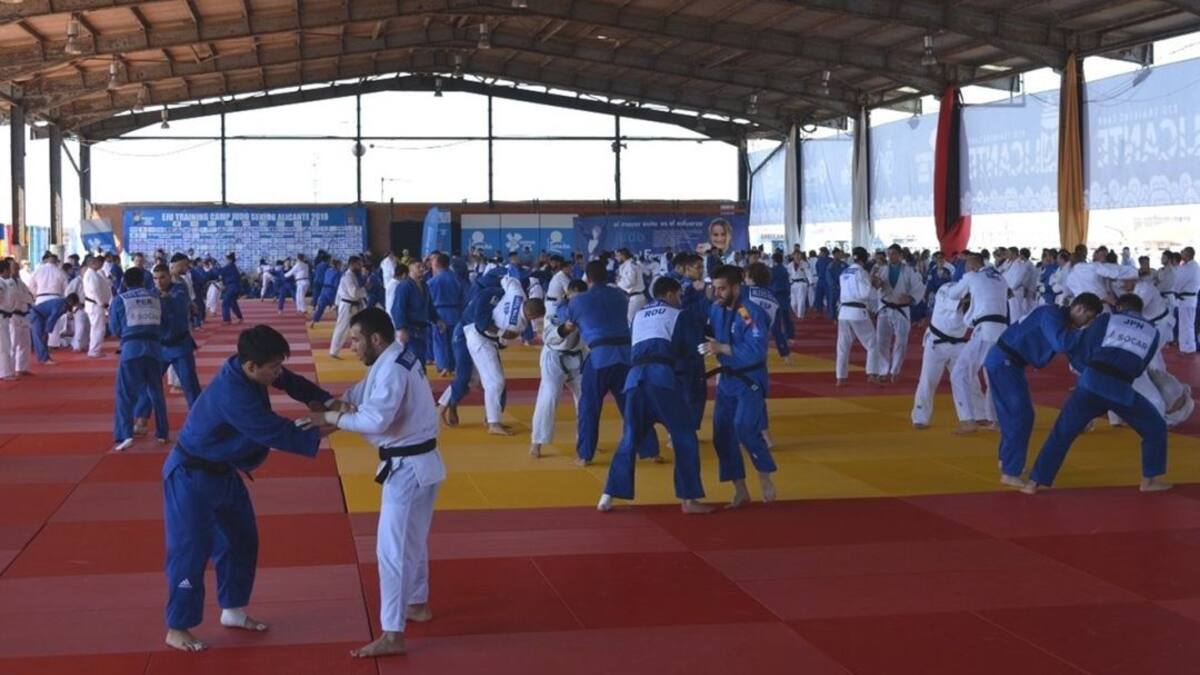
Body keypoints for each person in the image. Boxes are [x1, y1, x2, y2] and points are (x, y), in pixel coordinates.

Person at [161, 325, 335, 652]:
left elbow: (290, 381)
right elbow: (277, 432)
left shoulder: (252, 367)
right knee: (190, 551)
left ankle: (233, 609)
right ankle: (178, 626)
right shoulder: (234, 393)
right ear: (252, 366)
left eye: (278, 365)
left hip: (223, 472)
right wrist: (345, 421)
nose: (277, 374)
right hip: (189, 477)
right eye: (272, 368)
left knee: (241, 540)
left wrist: (324, 400)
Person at [308, 308, 443, 659]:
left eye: (356, 340)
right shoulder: (394, 357)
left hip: (408, 469)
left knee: (391, 551)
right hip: (421, 465)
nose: (352, 346)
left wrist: (330, 417)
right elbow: (363, 393)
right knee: (412, 540)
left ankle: (392, 633)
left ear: (376, 339)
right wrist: (338, 405)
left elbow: (377, 419)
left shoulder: (393, 368)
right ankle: (417, 604)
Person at [1023, 294, 1171, 494]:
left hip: (1091, 382)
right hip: (1121, 389)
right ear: (1140, 310)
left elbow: (1084, 344)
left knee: (1062, 433)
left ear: (1119, 306)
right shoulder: (1153, 332)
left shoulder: (1108, 319)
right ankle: (1149, 481)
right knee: (1155, 427)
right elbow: (1139, 368)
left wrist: (1085, 368)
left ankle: (1035, 482)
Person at [598, 276, 713, 515]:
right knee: (684, 437)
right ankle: (689, 500)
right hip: (661, 380)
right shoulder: (677, 314)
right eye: (679, 296)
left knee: (629, 438)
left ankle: (607, 496)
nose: (680, 300)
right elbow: (690, 352)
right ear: (671, 294)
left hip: (634, 380)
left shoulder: (638, 314)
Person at [985, 293, 1101, 487]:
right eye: (1087, 318)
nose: (1085, 324)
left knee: (1012, 415)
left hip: (1009, 363)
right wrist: (1084, 335)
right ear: (1079, 309)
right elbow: (1061, 344)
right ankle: (1010, 471)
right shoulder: (1051, 314)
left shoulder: (1062, 323)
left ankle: (1007, 461)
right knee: (1020, 416)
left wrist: (1096, 373)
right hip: (1004, 360)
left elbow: (1073, 355)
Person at [562, 260, 659, 465]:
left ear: (587, 278)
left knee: (589, 406)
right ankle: (649, 450)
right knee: (632, 403)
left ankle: (585, 455)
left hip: (600, 357)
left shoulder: (577, 302)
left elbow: (570, 328)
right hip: (626, 356)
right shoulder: (620, 296)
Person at [703, 265, 776, 507]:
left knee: (744, 428)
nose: (718, 293)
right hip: (727, 380)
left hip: (750, 379)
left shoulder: (747, 312)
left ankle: (765, 478)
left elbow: (757, 350)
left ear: (736, 287)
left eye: (723, 289)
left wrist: (722, 348)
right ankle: (740, 489)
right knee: (722, 434)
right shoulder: (716, 309)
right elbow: (710, 332)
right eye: (715, 288)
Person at [463, 276, 543, 435]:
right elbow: (503, 338)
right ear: (531, 315)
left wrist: (498, 296)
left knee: (487, 381)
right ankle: (493, 423)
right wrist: (501, 333)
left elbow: (507, 279)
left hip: (478, 333)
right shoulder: (517, 324)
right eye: (535, 318)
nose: (535, 321)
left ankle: (491, 418)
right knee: (495, 382)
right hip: (480, 339)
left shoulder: (518, 293)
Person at [944, 252, 1010, 433]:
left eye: (966, 266)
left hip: (985, 332)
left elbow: (953, 294)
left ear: (972, 266)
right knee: (993, 376)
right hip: (1002, 332)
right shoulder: (999, 277)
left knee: (959, 373)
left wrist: (965, 286)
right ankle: (995, 420)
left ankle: (968, 420)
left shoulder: (972, 275)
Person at [109, 267, 169, 449]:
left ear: (125, 283)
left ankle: (124, 434)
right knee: (156, 392)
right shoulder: (156, 298)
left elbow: (114, 329)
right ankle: (162, 433)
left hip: (131, 349)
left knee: (125, 394)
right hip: (154, 349)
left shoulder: (120, 300)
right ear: (144, 281)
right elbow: (164, 324)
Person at [530, 280, 586, 459]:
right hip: (554, 357)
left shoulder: (589, 311)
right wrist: (566, 328)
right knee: (549, 397)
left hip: (578, 357)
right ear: (568, 295)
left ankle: (585, 441)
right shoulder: (557, 310)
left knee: (585, 400)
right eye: (574, 298)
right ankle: (537, 442)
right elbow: (548, 337)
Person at [911, 280, 969, 429]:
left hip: (959, 343)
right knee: (928, 379)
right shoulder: (946, 289)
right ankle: (920, 417)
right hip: (936, 342)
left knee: (965, 380)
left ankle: (973, 416)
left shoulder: (976, 292)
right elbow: (958, 303)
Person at [872, 244, 925, 382]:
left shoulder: (909, 271)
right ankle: (883, 370)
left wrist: (910, 298)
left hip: (902, 309)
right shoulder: (881, 270)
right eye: (889, 253)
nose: (891, 256)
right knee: (881, 341)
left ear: (901, 255)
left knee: (901, 342)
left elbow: (919, 287)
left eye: (894, 253)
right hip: (884, 308)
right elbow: (876, 286)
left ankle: (895, 370)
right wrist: (874, 281)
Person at [835, 247, 879, 385]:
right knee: (872, 343)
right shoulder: (861, 272)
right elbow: (865, 293)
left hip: (843, 312)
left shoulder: (844, 272)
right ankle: (872, 374)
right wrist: (874, 285)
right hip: (858, 312)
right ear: (864, 258)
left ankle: (840, 377)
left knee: (843, 346)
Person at [427, 253, 463, 377]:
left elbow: (428, 299)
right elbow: (463, 296)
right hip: (455, 312)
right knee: (454, 342)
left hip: (438, 312)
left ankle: (443, 366)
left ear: (436, 264)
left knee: (439, 341)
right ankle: (454, 366)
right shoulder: (456, 279)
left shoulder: (432, 281)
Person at [390, 261, 431, 365]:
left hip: (422, 328)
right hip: (410, 329)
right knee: (412, 361)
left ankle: (418, 379)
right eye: (418, 266)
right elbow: (397, 309)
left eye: (423, 266)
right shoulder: (404, 286)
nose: (422, 269)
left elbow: (429, 306)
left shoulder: (424, 285)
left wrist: (437, 319)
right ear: (410, 268)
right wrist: (401, 329)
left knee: (420, 360)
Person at [29, 292, 79, 365]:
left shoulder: (63, 303)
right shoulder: (61, 305)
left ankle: (44, 357)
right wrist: (48, 330)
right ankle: (43, 359)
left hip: (41, 316)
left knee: (43, 337)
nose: (74, 306)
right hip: (36, 315)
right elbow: (52, 318)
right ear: (71, 301)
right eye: (74, 304)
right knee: (41, 337)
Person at [331, 256, 366, 358]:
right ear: (353, 264)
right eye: (359, 264)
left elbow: (339, 291)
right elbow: (354, 293)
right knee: (342, 328)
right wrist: (365, 289)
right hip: (347, 305)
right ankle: (334, 351)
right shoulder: (348, 277)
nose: (361, 266)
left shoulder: (352, 276)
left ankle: (355, 346)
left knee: (358, 327)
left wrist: (336, 303)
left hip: (353, 305)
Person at [615, 248, 647, 326]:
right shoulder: (630, 264)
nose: (616, 258)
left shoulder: (630, 265)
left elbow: (629, 283)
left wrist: (618, 281)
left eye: (617, 256)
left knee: (632, 323)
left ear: (622, 255)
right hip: (635, 297)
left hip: (636, 298)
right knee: (635, 322)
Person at [1176, 246, 1198, 353]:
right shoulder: (1194, 266)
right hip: (1190, 299)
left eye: (1183, 252)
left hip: (1186, 299)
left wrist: (1175, 291)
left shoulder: (1189, 267)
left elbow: (1179, 282)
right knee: (1188, 324)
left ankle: (1186, 348)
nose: (1181, 254)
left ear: (1188, 254)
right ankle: (1189, 346)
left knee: (1185, 325)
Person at [217, 253, 244, 324]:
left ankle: (227, 320)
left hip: (231, 287)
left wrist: (213, 266)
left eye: (226, 259)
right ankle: (240, 317)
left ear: (230, 260)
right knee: (233, 303)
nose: (225, 260)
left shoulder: (228, 267)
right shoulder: (233, 267)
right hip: (236, 286)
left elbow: (219, 271)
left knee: (225, 303)